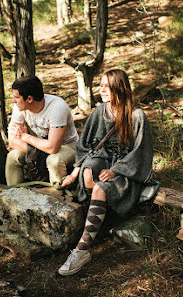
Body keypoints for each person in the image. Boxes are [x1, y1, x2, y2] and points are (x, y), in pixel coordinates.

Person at [57, 69, 154, 276]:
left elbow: (140, 154)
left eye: (107, 86)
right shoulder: (99, 112)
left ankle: (82, 249)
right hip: (105, 164)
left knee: (100, 189)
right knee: (88, 175)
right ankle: (103, 215)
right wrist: (76, 173)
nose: (101, 90)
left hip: (127, 172)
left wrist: (115, 170)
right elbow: (85, 147)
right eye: (100, 85)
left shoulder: (137, 117)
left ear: (120, 88)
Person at [0, 75, 78, 229]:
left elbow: (54, 148)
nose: (13, 101)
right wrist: (37, 147)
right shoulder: (20, 107)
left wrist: (25, 136)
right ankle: (13, 208)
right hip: (41, 147)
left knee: (54, 160)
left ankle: (58, 211)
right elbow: (12, 142)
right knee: (13, 156)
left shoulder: (57, 107)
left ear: (29, 99)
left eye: (16, 97)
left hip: (68, 147)